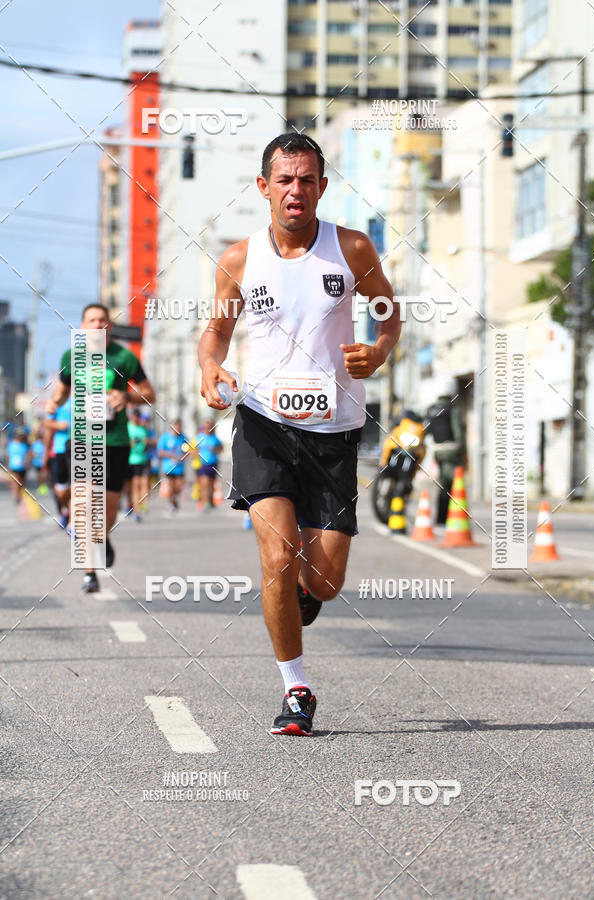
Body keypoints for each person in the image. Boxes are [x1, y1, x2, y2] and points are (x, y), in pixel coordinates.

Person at [198, 133, 400, 736]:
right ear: (264, 187)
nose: (296, 190)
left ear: (321, 186)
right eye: (284, 180)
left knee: (325, 581)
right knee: (278, 557)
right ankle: (296, 689)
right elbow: (215, 332)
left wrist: (381, 349)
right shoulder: (238, 259)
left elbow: (388, 308)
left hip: (333, 430)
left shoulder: (353, 249)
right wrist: (210, 367)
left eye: (307, 179)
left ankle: (305, 597)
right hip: (262, 423)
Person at [45, 304, 156, 593]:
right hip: (81, 439)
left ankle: (103, 537)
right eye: (91, 320)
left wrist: (126, 396)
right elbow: (62, 389)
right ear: (83, 326)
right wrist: (53, 403)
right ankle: (90, 572)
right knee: (83, 504)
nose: (97, 324)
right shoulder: (72, 356)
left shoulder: (125, 357)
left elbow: (149, 394)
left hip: (115, 442)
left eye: (102, 320)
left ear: (109, 326)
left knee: (106, 510)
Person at [425, 377, 467, 526]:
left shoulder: (431, 409)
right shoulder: (453, 409)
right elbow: (459, 433)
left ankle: (443, 517)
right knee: (451, 484)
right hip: (452, 451)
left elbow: (427, 431)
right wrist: (462, 451)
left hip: (437, 451)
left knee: (444, 483)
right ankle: (445, 518)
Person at [44, 397, 72, 529]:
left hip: (81, 447)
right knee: (61, 490)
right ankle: (66, 511)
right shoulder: (58, 400)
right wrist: (58, 425)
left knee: (78, 487)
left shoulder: (87, 397)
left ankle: (74, 520)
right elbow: (47, 423)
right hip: (60, 449)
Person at [157, 419, 188, 512]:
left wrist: (183, 456)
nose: (177, 429)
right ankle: (171, 503)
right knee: (170, 486)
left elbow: (188, 450)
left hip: (179, 467)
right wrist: (170, 455)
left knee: (178, 486)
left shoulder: (183, 438)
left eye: (179, 426)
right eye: (175, 426)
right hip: (168, 467)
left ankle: (175, 498)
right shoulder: (165, 437)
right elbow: (160, 452)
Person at [193, 420, 223, 510]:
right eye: (206, 427)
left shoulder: (215, 439)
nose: (208, 429)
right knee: (204, 483)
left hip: (213, 463)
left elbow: (221, 448)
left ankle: (210, 501)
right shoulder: (199, 437)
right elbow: (193, 449)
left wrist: (216, 449)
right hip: (202, 464)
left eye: (209, 427)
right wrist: (196, 454)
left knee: (211, 484)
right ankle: (205, 501)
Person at [126, 408, 149, 522]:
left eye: (137, 416)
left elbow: (145, 443)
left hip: (141, 459)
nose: (136, 418)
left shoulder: (142, 429)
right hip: (131, 460)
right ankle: (133, 507)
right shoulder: (128, 427)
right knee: (132, 486)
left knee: (142, 484)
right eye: (134, 415)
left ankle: (139, 507)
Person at [7, 427, 30, 504]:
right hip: (14, 466)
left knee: (21, 482)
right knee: (15, 481)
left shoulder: (25, 445)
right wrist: (8, 466)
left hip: (23, 467)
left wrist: (27, 463)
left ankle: (19, 494)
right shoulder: (11, 444)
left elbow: (27, 455)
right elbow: (8, 456)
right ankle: (15, 496)